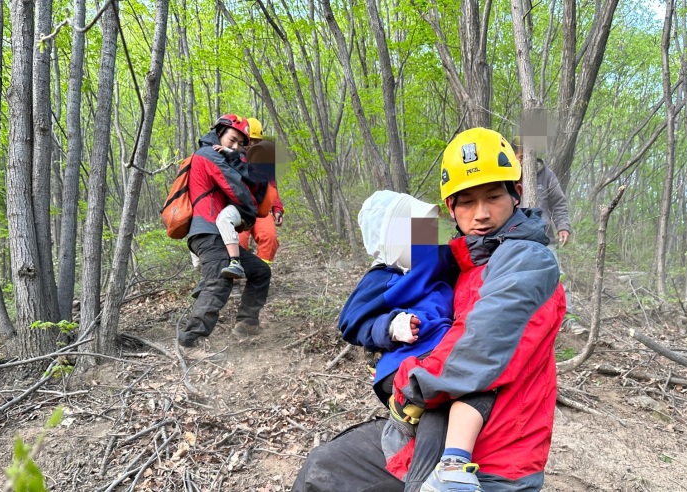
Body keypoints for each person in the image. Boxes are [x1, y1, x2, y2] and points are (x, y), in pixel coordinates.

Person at [292, 128, 566, 491]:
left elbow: (476, 348)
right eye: (466, 201)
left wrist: (410, 386)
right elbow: (360, 313)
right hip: (434, 424)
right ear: (452, 208)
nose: (481, 213)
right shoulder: (465, 261)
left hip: (495, 459)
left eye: (493, 196)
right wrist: (388, 329)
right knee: (323, 468)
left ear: (516, 195)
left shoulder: (526, 258)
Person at [339, 190, 498, 490]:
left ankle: (447, 468)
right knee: (441, 401)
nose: (427, 235)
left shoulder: (435, 258)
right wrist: (389, 326)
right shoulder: (382, 277)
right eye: (417, 229)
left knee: (467, 396)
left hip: (438, 354)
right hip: (403, 362)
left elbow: (470, 249)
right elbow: (351, 321)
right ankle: (425, 480)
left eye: (427, 227)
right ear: (393, 240)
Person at [178, 114, 272, 360]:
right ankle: (190, 342)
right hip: (208, 232)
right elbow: (235, 187)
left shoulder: (219, 154)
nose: (235, 147)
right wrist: (251, 211)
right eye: (232, 140)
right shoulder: (208, 155)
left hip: (217, 233)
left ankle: (246, 324)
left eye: (240, 144)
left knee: (260, 272)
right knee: (219, 282)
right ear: (219, 133)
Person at [511, 136, 581, 332]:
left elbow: (558, 203)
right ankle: (527, 323)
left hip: (545, 237)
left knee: (557, 277)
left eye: (529, 156)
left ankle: (568, 321)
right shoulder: (506, 175)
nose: (525, 161)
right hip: (514, 239)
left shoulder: (546, 175)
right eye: (521, 156)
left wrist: (564, 227)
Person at [238, 118, 284, 264]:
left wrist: (277, 209)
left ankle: (261, 273)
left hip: (261, 209)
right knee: (239, 240)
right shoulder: (232, 158)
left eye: (256, 141)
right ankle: (234, 280)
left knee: (269, 238)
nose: (252, 144)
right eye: (250, 140)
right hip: (239, 209)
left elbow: (272, 187)